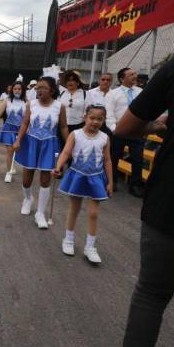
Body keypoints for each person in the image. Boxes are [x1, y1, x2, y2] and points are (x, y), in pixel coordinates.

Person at [112, 47, 174, 347]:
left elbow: (125, 127)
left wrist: (158, 127)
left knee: (151, 295)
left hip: (173, 205)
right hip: (172, 208)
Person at [53, 105, 113, 264]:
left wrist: (110, 182)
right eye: (92, 118)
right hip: (77, 176)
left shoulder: (105, 138)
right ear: (85, 117)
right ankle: (68, 239)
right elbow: (66, 152)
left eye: (99, 119)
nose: (95, 122)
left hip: (96, 178)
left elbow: (107, 160)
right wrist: (58, 166)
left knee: (94, 213)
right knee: (74, 209)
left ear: (103, 120)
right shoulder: (75, 134)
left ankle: (90, 247)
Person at [13, 76, 69, 229]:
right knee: (26, 179)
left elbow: (63, 127)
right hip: (31, 142)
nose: (39, 90)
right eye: (37, 87)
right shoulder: (31, 104)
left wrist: (69, 145)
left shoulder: (60, 106)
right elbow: (25, 123)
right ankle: (28, 198)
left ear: (51, 90)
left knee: (45, 179)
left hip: (50, 144)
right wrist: (18, 140)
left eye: (42, 87)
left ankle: (40, 213)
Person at [105, 68, 145, 197]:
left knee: (138, 158)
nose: (135, 76)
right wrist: (114, 129)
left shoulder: (141, 92)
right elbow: (109, 113)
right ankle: (112, 181)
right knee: (114, 156)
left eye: (135, 73)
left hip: (137, 130)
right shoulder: (113, 94)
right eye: (132, 74)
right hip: (119, 130)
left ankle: (135, 185)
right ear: (122, 78)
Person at [0, 80, 26, 183]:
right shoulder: (7, 100)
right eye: (15, 89)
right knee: (10, 150)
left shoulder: (27, 102)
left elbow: (29, 118)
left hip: (21, 130)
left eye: (19, 89)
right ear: (12, 90)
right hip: (8, 129)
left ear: (22, 90)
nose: (17, 91)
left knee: (17, 150)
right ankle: (8, 172)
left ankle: (12, 165)